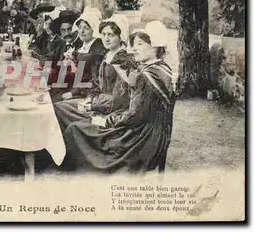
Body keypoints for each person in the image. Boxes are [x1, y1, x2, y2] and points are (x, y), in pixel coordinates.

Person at [63, 21, 176, 174]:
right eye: (134, 44)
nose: (134, 49)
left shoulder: (146, 75)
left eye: (140, 44)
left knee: (74, 128)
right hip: (159, 133)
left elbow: (135, 115)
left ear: (154, 47)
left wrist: (106, 121)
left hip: (142, 137)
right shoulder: (161, 68)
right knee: (82, 122)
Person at [54, 15, 132, 132]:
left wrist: (92, 105)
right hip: (98, 100)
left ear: (120, 37)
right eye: (104, 34)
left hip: (111, 110)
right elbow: (97, 84)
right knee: (59, 107)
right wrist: (89, 99)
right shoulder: (109, 55)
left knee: (64, 113)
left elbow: (119, 99)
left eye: (111, 35)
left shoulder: (122, 60)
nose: (106, 39)